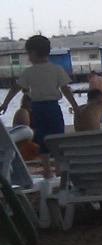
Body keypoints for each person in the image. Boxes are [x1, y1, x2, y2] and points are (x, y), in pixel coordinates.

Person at [0, 35, 79, 179]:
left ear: (33, 53)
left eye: (28, 53)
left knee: (42, 138)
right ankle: (59, 168)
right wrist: (75, 106)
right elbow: (66, 90)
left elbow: (15, 88)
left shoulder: (29, 72)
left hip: (37, 108)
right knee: (58, 138)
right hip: (53, 108)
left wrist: (5, 104)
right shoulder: (57, 69)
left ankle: (47, 170)